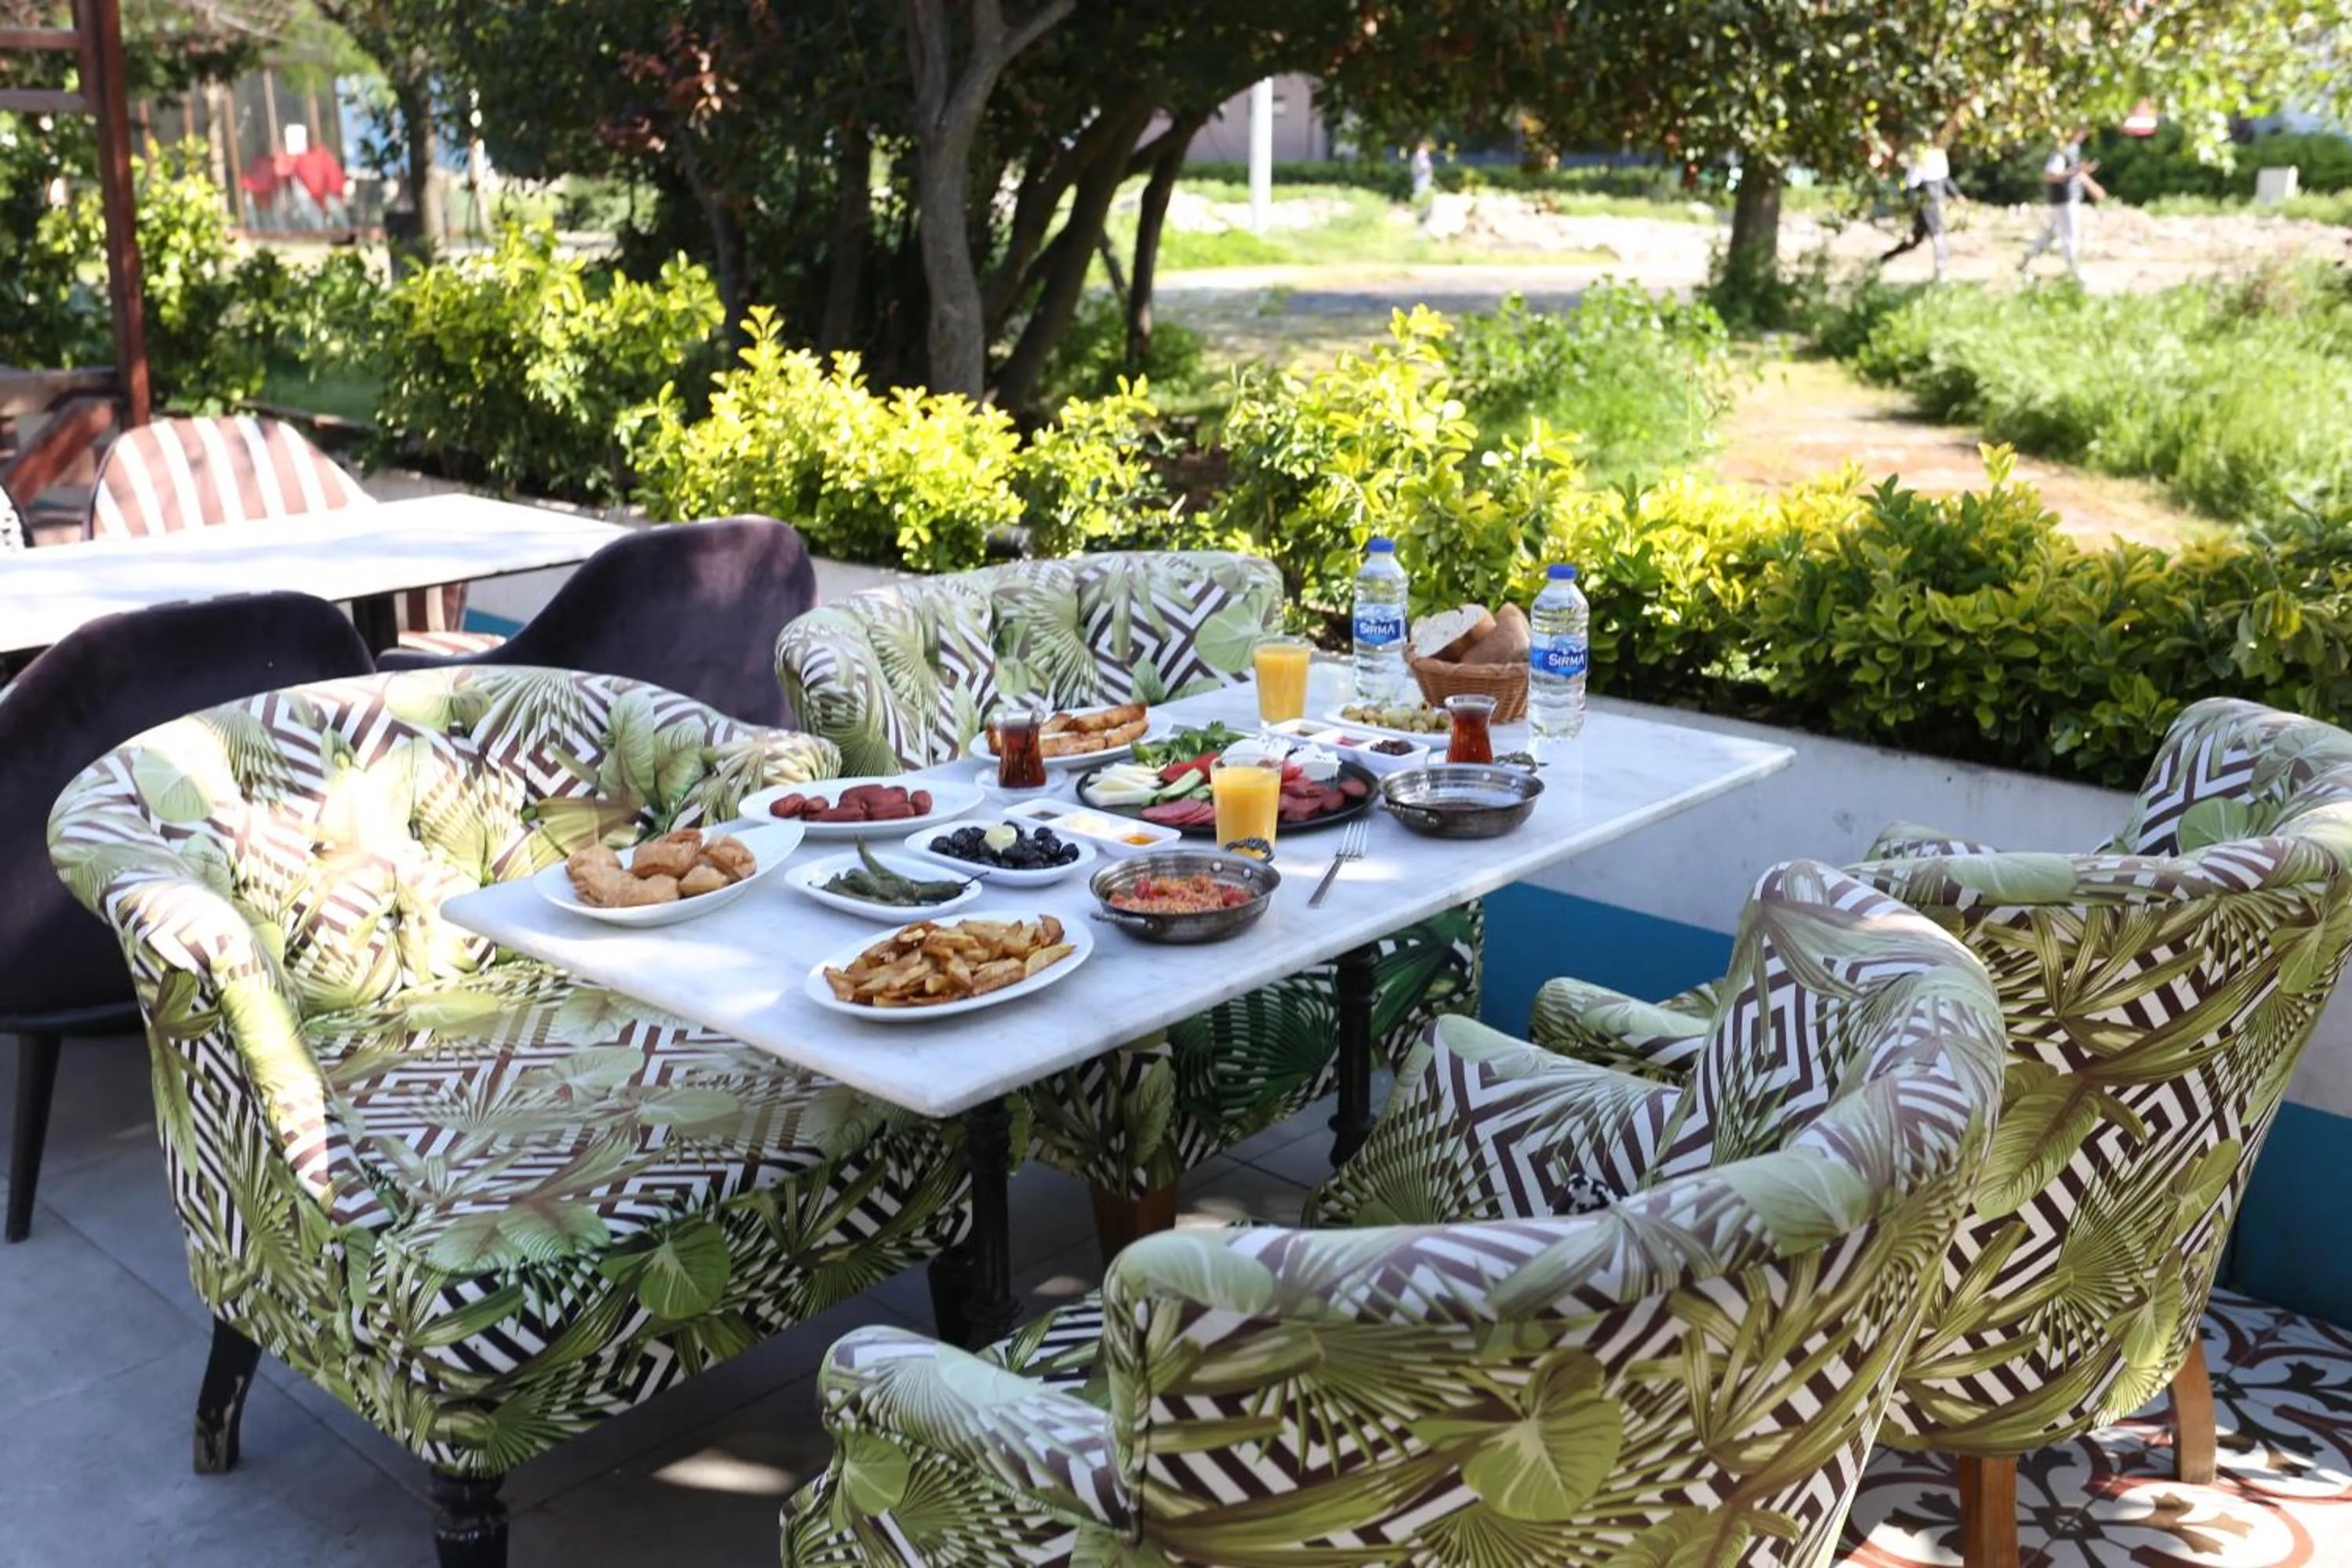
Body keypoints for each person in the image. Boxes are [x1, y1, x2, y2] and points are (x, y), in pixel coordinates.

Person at [2020, 129, 2105, 280]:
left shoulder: (2071, 150)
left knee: (2051, 234)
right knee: (2070, 236)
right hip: (2064, 199)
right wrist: (2077, 170)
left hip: (2065, 198)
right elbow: (2052, 176)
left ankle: (2026, 260)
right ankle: (2076, 273)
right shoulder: (2062, 150)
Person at [1881, 135, 1963, 281]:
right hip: (1926, 199)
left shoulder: (1938, 153)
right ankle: (1941, 272)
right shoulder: (1922, 154)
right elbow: (1913, 181)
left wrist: (1956, 194)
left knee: (1917, 238)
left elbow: (1943, 179)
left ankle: (1884, 259)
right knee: (1938, 234)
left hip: (1934, 198)